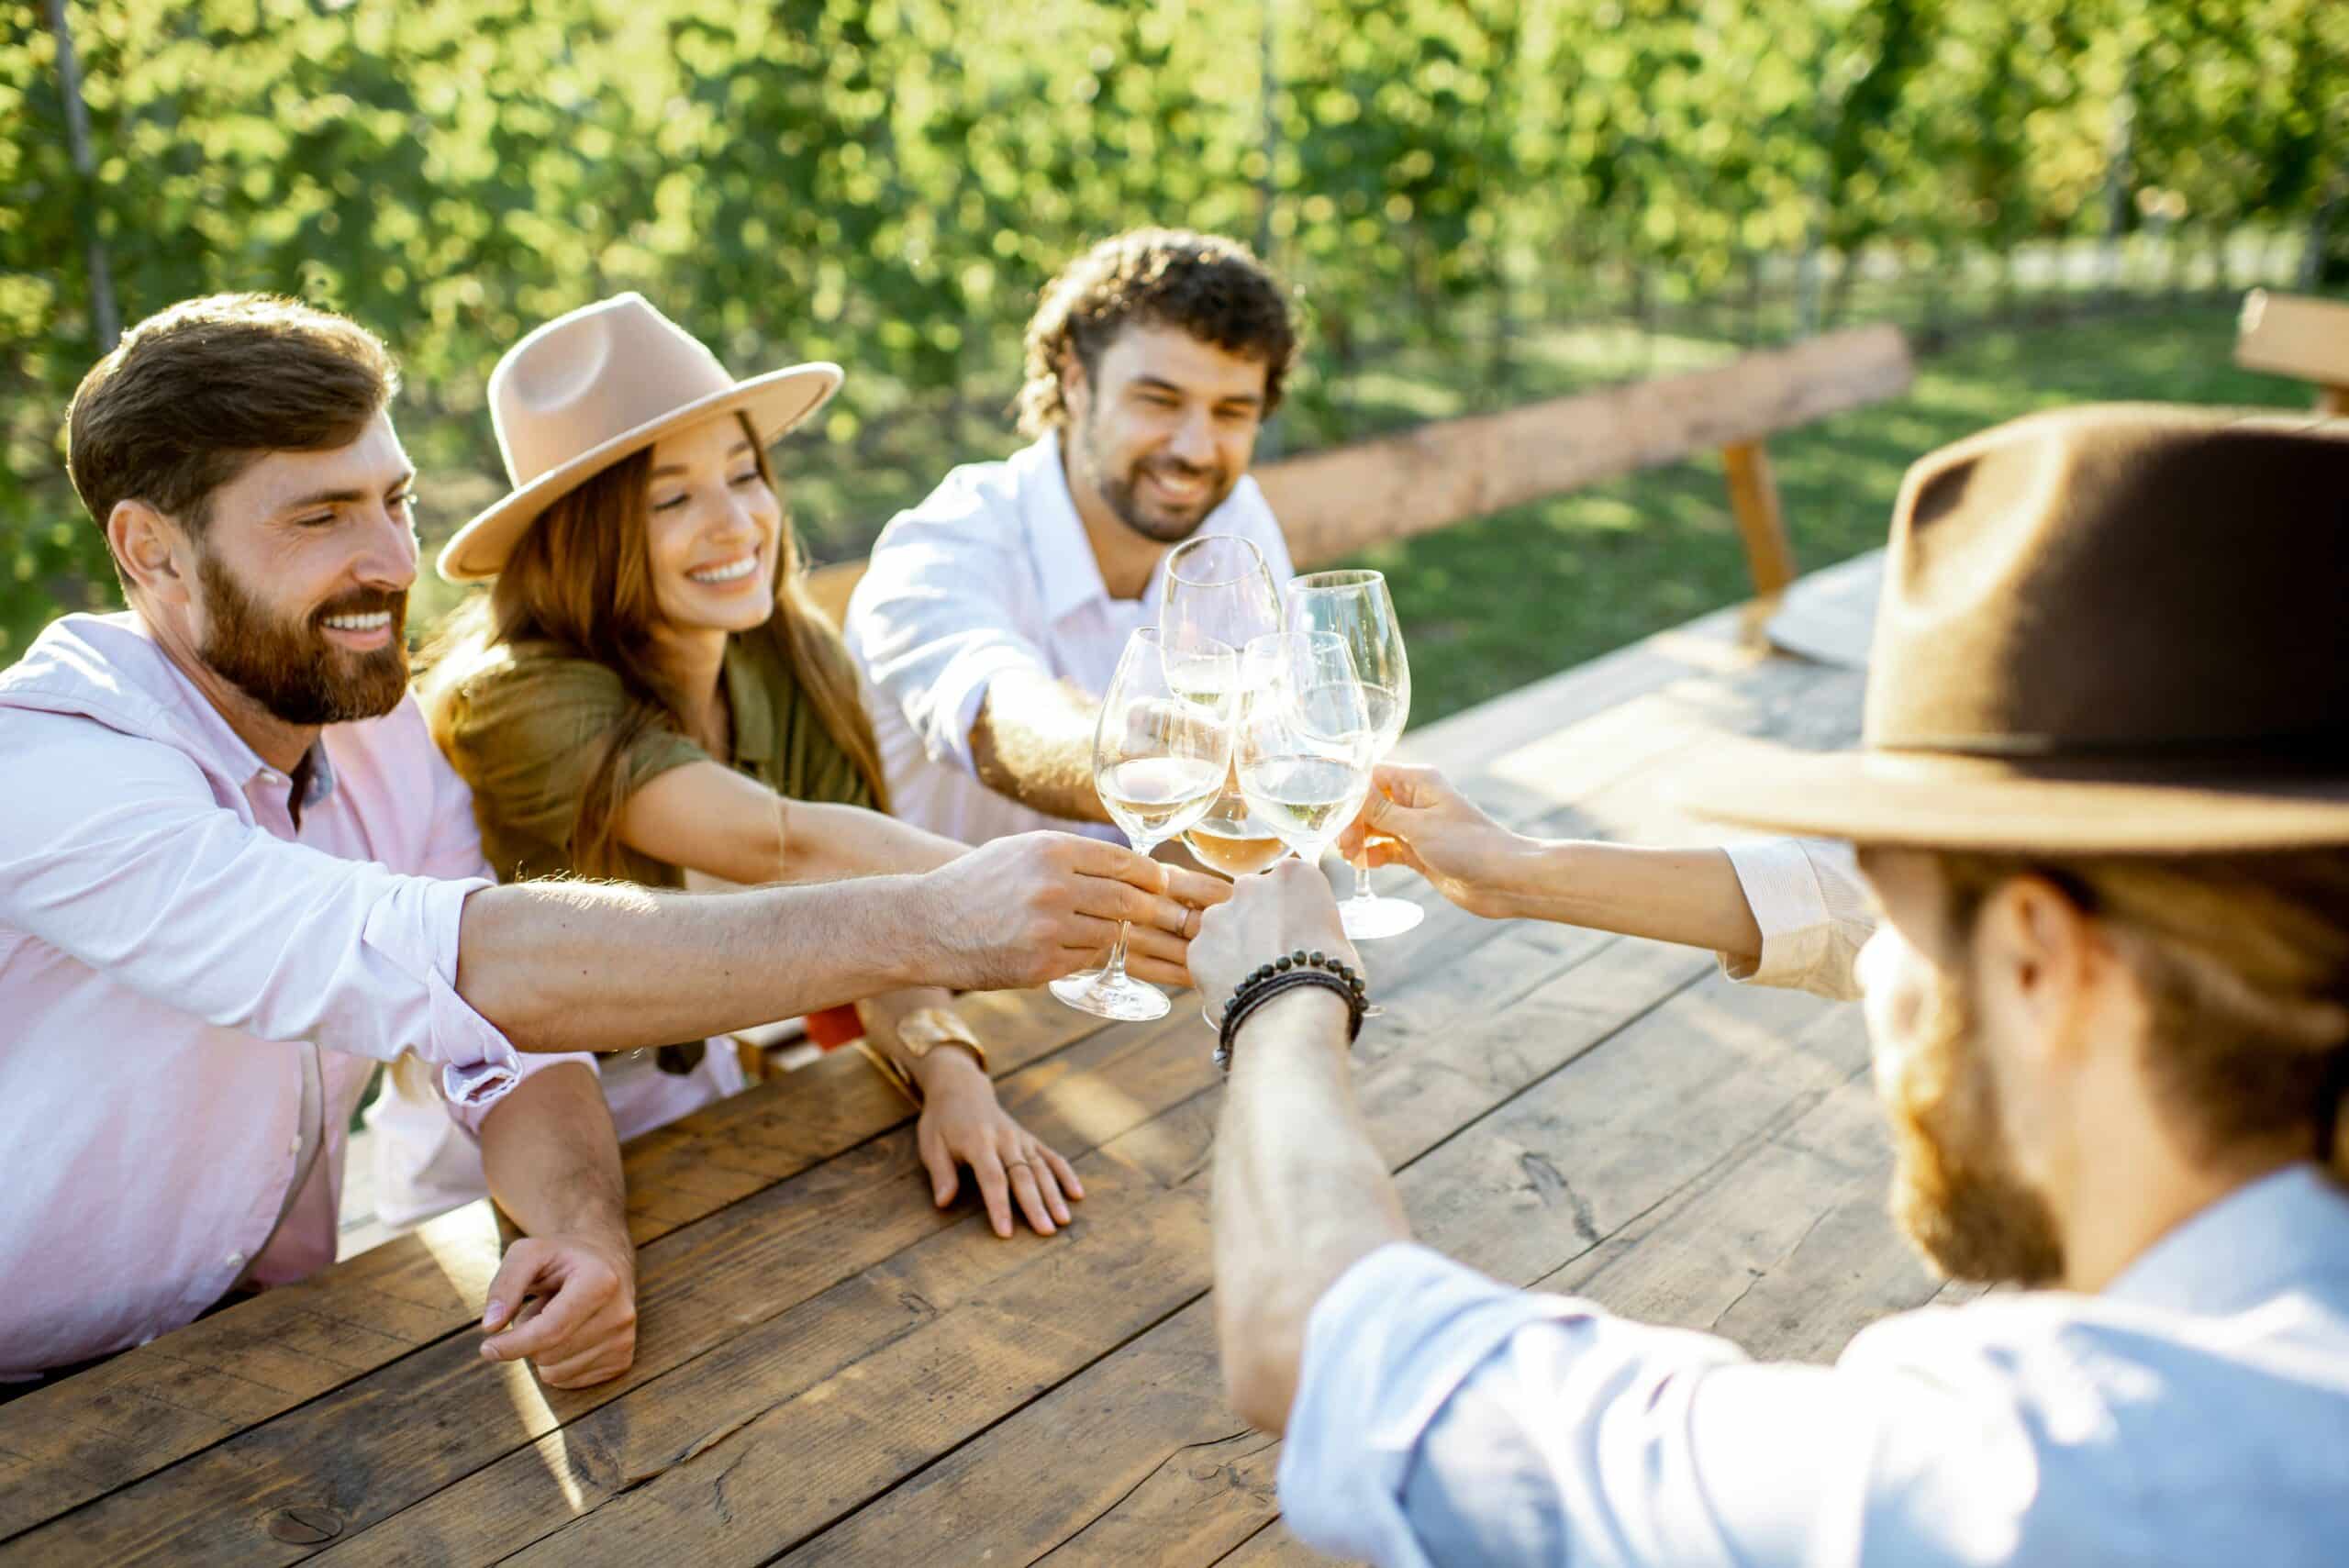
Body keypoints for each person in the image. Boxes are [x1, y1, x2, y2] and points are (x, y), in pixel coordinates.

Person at [1195, 405, 2349, 1565]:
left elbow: (1330, 1348)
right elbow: (1843, 901)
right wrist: (1521, 869)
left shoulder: (2026, 1475)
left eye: (1899, 924)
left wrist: (1283, 989)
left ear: (2036, 958)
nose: (1873, 960)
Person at [0, 295, 1216, 1390]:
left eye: (396, 502)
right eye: (322, 516)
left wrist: (581, 1227)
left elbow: (498, 1043)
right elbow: (471, 958)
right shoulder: (54, 768)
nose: (394, 562)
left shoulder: (380, 738)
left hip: (248, 1340)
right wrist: (951, 913)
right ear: (151, 551)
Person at [375, 294, 1196, 1240]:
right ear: (583, 538)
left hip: (699, 1113)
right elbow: (788, 844)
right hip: (490, 1163)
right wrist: (1101, 903)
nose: (738, 523)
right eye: (673, 499)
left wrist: (952, 1075)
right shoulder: (514, 699)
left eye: (745, 474)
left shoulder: (789, 657)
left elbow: (881, 914)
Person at [847, 228, 1299, 843]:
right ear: (1075, 382)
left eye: (1232, 412)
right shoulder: (944, 545)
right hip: (956, 904)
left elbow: (1267, 751)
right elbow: (998, 725)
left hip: (1144, 903)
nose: (1196, 450)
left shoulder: (1233, 520)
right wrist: (1135, 753)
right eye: (1159, 400)